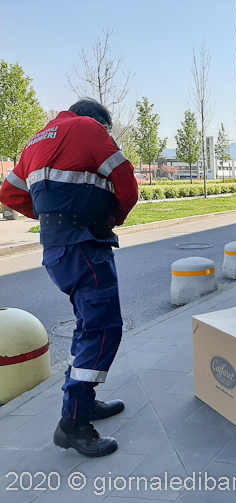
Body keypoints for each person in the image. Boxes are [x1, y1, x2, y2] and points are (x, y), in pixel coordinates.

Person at [0, 98, 138, 456]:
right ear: (97, 121)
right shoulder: (89, 129)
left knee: (86, 324)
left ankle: (84, 402)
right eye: (107, 129)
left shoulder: (35, 140)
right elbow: (126, 182)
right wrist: (113, 216)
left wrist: (51, 214)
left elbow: (11, 193)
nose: (107, 135)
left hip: (58, 249)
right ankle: (73, 422)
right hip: (85, 245)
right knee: (104, 328)